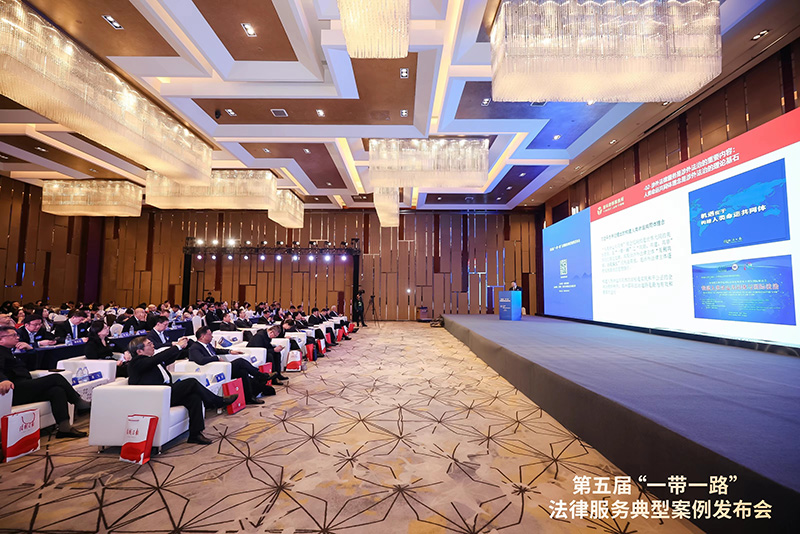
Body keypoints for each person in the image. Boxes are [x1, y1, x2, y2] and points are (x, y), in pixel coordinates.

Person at [127, 336, 237, 445]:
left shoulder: (150, 360)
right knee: (191, 382)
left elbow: (168, 358)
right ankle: (217, 402)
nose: (153, 345)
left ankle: (195, 435)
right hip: (155, 396)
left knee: (194, 398)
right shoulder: (136, 363)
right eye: (149, 344)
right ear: (139, 351)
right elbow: (158, 358)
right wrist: (177, 347)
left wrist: (182, 347)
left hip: (165, 392)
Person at [0, 326, 90, 438]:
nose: (17, 337)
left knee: (57, 391)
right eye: (13, 335)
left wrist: (30, 350)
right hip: (13, 390)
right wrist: (3, 380)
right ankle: (78, 401)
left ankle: (64, 428)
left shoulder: (10, 352)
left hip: (25, 385)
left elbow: (31, 367)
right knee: (56, 378)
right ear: (1, 339)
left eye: (16, 335)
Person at [188, 327, 275, 404]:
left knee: (242, 372)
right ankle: (260, 375)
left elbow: (216, 350)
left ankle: (249, 397)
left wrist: (230, 351)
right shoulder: (194, 348)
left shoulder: (207, 345)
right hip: (213, 371)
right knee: (240, 362)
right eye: (210, 334)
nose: (212, 336)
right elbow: (201, 360)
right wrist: (216, 358)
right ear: (203, 336)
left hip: (223, 368)